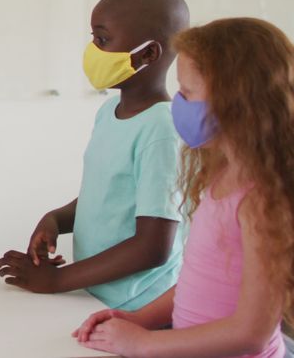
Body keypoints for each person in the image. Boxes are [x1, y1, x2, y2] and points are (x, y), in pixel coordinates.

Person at [74, 18, 294, 358]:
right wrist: (139, 320)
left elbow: (250, 333)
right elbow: (197, 278)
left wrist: (143, 344)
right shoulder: (220, 175)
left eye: (187, 93)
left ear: (236, 102)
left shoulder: (261, 201)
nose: (177, 102)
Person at [0, 0, 189, 311]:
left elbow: (153, 246)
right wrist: (57, 219)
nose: (92, 50)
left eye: (102, 40)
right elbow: (108, 193)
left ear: (148, 54)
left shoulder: (162, 130)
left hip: (138, 306)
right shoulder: (109, 112)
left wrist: (58, 280)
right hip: (97, 295)